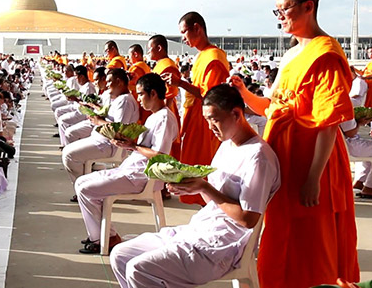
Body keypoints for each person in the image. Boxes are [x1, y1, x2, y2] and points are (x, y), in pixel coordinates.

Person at [231, 0, 360, 287]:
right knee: (281, 232)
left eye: (284, 10)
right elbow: (272, 107)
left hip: (312, 161)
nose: (281, 18)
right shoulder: (291, 54)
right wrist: (243, 95)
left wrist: (314, 178)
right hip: (283, 160)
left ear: (308, 6)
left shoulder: (326, 53)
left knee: (313, 239)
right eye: (276, 12)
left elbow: (328, 124)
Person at [110, 84, 280, 287]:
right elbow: (214, 201)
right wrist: (192, 186)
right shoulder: (226, 146)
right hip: (201, 228)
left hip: (224, 244)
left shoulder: (258, 156)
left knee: (139, 269)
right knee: (120, 254)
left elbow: (248, 219)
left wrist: (205, 188)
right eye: (207, 120)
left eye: (214, 120)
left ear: (236, 113)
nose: (210, 127)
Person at [76, 73, 179, 254]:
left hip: (142, 176)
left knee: (86, 189)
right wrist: (126, 143)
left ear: (153, 93)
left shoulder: (164, 118)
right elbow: (142, 147)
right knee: (81, 183)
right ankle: (104, 235)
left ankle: (105, 238)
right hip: (132, 168)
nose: (138, 99)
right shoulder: (154, 116)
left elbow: (161, 155)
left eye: (140, 94)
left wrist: (134, 146)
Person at [163, 12, 229, 206]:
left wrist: (180, 83)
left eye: (184, 32)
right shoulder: (203, 56)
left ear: (197, 28)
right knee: (193, 165)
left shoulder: (214, 57)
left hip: (206, 121)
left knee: (204, 167)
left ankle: (209, 206)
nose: (183, 38)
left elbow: (210, 94)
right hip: (194, 116)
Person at [61, 68, 139, 201]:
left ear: (119, 82)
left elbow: (119, 131)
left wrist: (99, 121)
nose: (107, 85)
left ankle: (86, 190)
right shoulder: (118, 98)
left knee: (69, 155)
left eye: (109, 82)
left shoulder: (125, 101)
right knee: (68, 150)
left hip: (109, 145)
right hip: (100, 139)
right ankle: (86, 187)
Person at [340, 117, 372, 200]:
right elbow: (350, 132)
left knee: (370, 153)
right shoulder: (343, 106)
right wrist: (360, 123)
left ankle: (360, 181)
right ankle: (370, 189)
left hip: (340, 144)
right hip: (347, 144)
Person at [148, 35, 181, 159]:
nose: (148, 52)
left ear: (159, 48)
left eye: (150, 48)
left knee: (166, 145)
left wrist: (164, 115)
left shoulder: (168, 66)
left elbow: (170, 95)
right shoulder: (160, 64)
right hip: (158, 109)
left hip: (167, 110)